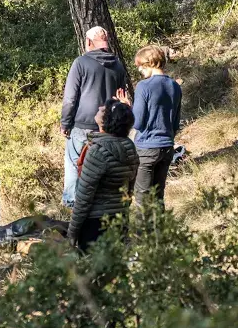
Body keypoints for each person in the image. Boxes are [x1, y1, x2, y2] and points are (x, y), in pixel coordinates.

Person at [60, 26, 130, 208]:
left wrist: (65, 123)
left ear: (89, 42)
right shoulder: (118, 65)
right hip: (109, 127)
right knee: (101, 166)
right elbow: (121, 97)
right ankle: (98, 203)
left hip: (83, 125)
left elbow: (69, 98)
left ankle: (72, 202)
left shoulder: (80, 63)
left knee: (74, 163)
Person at [67, 101, 140, 253]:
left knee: (94, 274)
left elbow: (84, 197)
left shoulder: (97, 152)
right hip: (119, 219)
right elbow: (129, 189)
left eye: (103, 109)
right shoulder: (129, 147)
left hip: (95, 224)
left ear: (108, 120)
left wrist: (72, 233)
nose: (99, 107)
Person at [115, 45, 182, 208]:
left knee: (142, 199)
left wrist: (127, 107)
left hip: (146, 148)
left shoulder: (144, 86)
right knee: (158, 197)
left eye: (140, 65)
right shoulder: (175, 86)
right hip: (167, 147)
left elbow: (137, 122)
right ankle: (161, 233)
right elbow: (175, 124)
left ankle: (143, 234)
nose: (139, 69)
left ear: (150, 63)